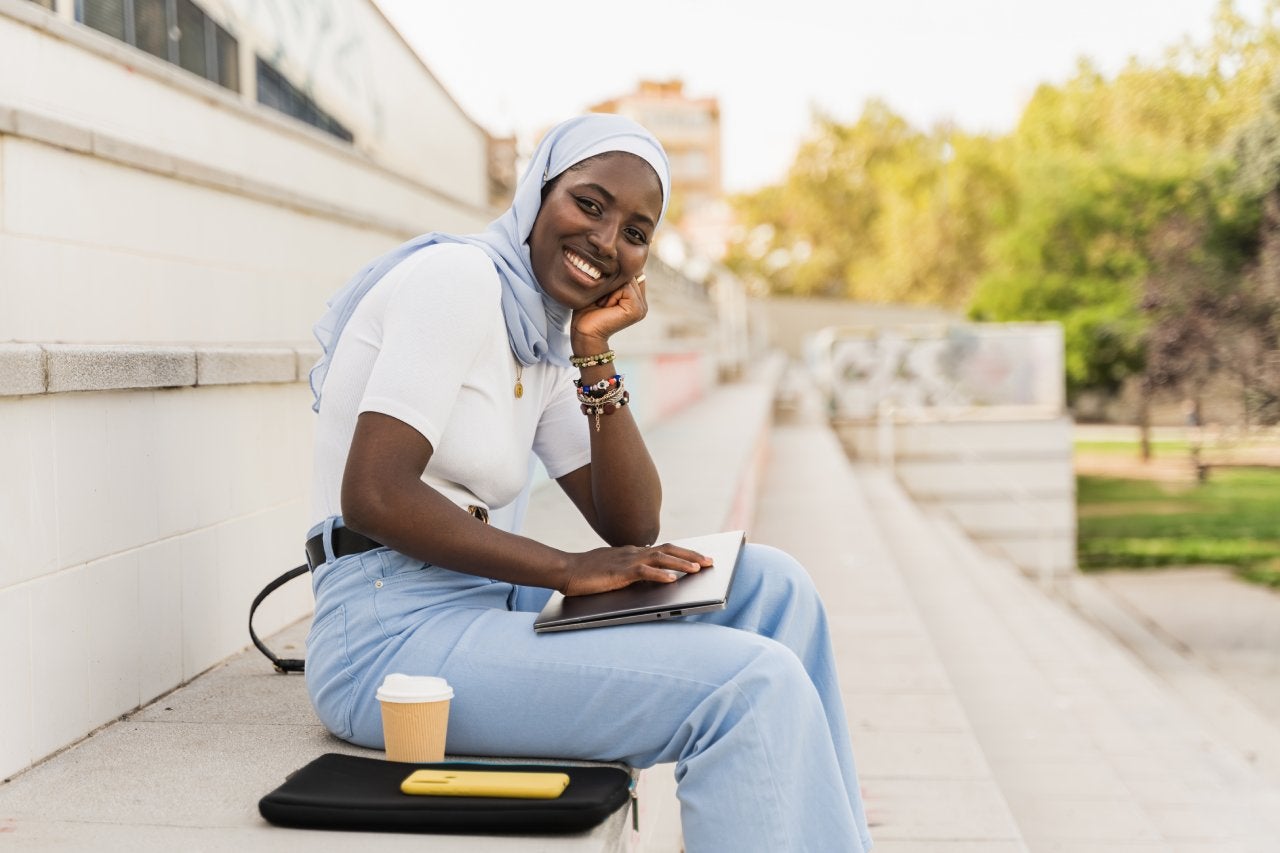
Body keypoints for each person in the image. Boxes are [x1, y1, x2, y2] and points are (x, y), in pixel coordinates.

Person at [302, 114, 872, 852]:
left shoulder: (537, 331)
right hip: (387, 639)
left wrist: (593, 352)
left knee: (773, 584)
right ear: (538, 192)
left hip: (478, 604)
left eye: (636, 231)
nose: (607, 241)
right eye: (590, 204)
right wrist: (566, 569)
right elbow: (374, 495)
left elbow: (631, 523)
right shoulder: (457, 279)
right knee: (748, 685)